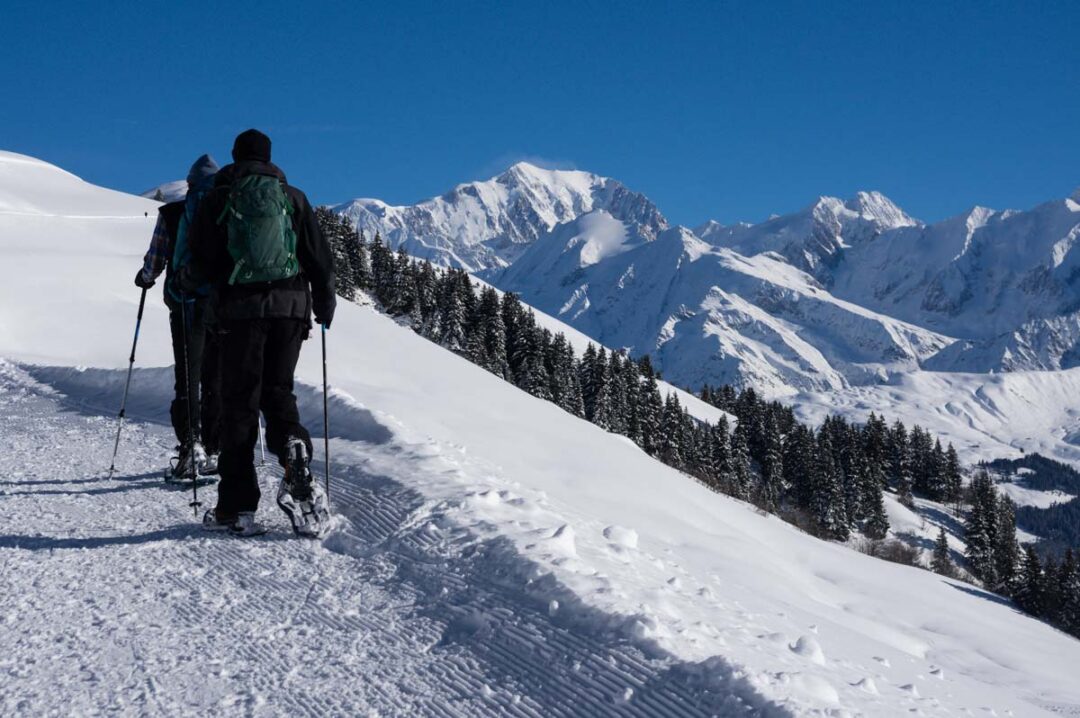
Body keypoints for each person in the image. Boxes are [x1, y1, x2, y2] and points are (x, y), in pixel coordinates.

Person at [187, 129, 336, 536]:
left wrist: (188, 286)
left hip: (238, 316)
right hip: (291, 311)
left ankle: (236, 509)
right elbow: (319, 259)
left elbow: (201, 260)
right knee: (278, 392)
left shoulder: (218, 198)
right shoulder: (293, 198)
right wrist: (324, 305)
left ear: (235, 157)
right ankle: (292, 447)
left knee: (239, 406)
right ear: (269, 159)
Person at [135, 155, 223, 478]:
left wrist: (145, 277)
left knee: (188, 375)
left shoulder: (173, 214)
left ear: (190, 183)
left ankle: (190, 447)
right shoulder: (227, 210)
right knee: (216, 378)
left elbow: (156, 258)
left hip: (185, 304)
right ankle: (215, 448)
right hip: (221, 308)